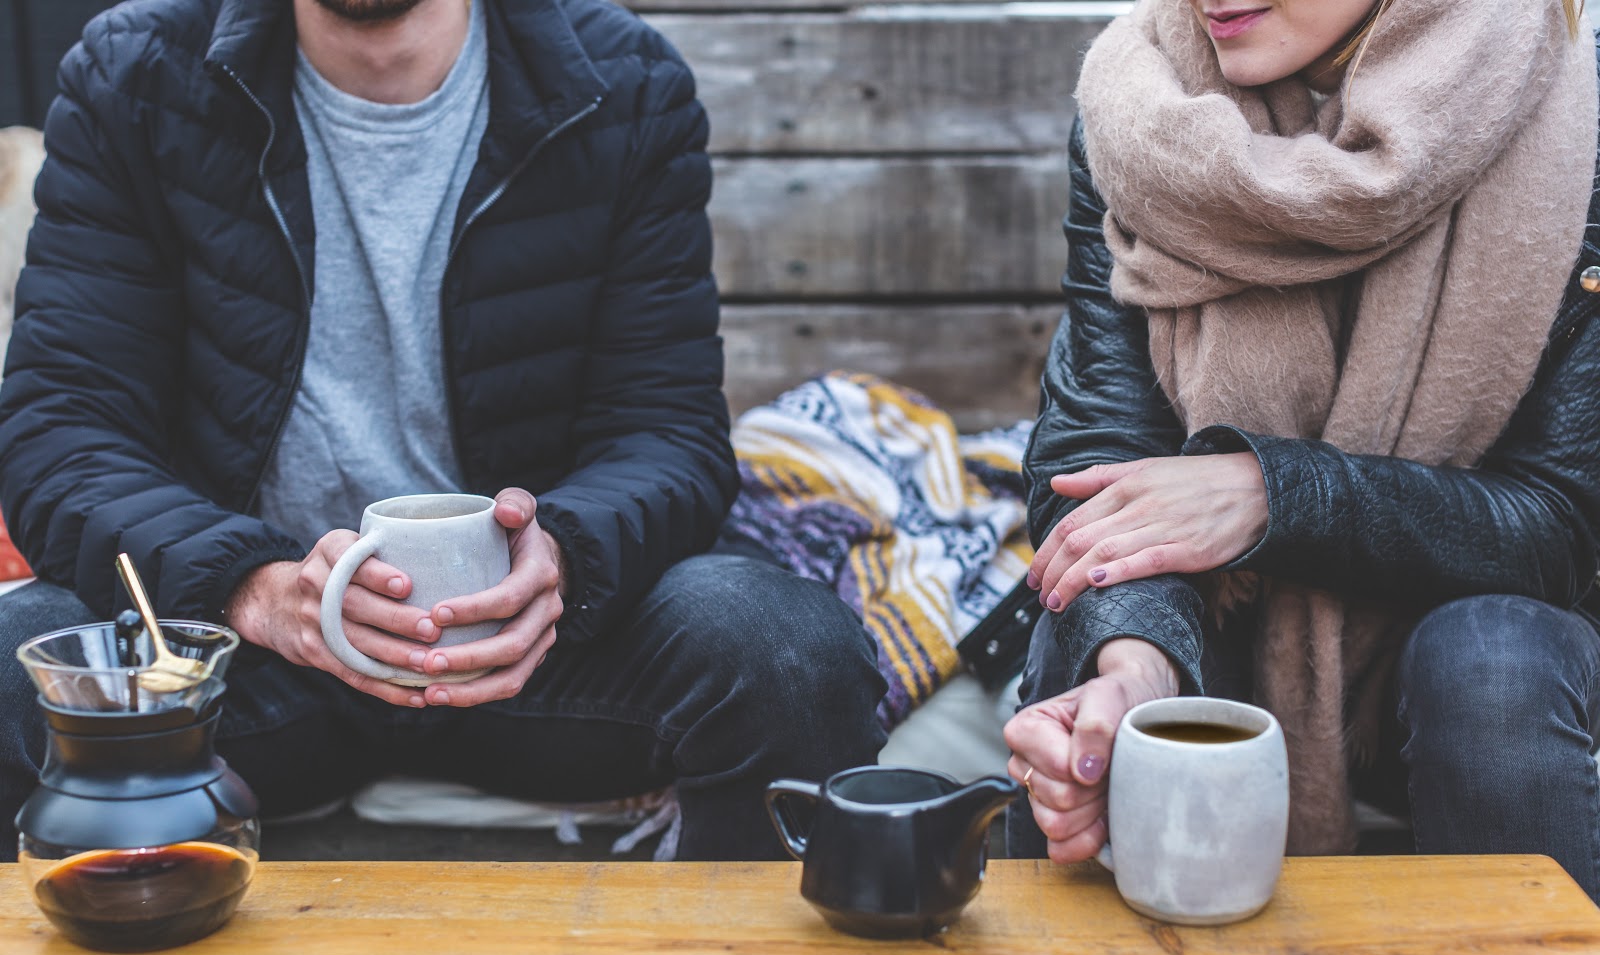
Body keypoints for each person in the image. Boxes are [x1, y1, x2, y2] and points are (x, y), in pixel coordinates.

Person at [0, 0, 888, 862]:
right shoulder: (136, 74)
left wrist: (565, 562)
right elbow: (62, 433)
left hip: (535, 652)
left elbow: (668, 432)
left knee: (787, 651)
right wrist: (256, 592)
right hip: (245, 661)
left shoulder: (623, 81)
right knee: (18, 651)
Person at [1005, 0, 1600, 902]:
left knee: (1492, 661)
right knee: (1082, 643)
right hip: (1226, 629)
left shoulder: (1576, 110)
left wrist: (1271, 495)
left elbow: (1560, 525)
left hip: (1459, 655)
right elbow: (1100, 457)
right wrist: (1134, 664)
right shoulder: (1143, 106)